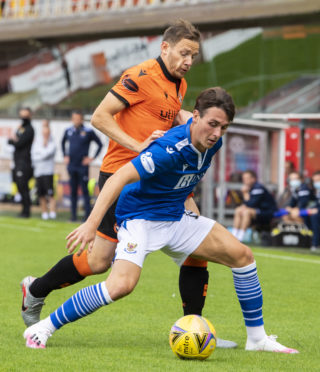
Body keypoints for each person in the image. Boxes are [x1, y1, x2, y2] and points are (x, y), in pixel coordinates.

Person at [23, 88, 298, 353]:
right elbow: (118, 178)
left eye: (223, 128)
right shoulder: (168, 150)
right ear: (197, 116)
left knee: (243, 256)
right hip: (140, 219)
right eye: (212, 124)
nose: (216, 133)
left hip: (175, 217)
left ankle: (257, 339)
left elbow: (183, 127)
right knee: (120, 286)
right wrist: (91, 223)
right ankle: (43, 327)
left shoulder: (211, 140)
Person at [20, 19, 235, 348]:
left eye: (193, 54)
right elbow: (100, 116)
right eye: (183, 53)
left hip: (159, 176)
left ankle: (195, 327)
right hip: (123, 177)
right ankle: (36, 290)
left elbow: (165, 123)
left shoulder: (178, 84)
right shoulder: (140, 76)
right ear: (165, 48)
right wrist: (137, 146)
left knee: (195, 248)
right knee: (98, 262)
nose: (189, 60)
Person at [62, 110, 102, 222]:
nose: (76, 121)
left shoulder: (88, 131)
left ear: (82, 119)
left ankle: (87, 217)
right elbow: (62, 143)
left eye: (78, 118)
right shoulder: (68, 131)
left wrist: (92, 158)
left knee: (85, 191)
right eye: (74, 118)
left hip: (82, 166)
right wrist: (65, 155)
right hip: (71, 166)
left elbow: (100, 144)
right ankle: (73, 216)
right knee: (73, 191)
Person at [231, 170, 277, 242]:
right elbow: (247, 204)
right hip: (257, 211)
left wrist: (245, 193)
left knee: (247, 212)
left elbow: (251, 204)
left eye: (247, 178)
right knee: (238, 210)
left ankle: (240, 238)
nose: (245, 181)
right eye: (243, 179)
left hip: (267, 212)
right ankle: (233, 235)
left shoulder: (258, 188)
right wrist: (243, 206)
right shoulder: (250, 188)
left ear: (253, 179)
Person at [8, 107, 34, 218]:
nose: (23, 118)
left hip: (24, 162)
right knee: (19, 186)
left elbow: (19, 143)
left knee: (23, 187)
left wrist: (14, 141)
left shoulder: (29, 129)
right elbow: (12, 140)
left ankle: (26, 211)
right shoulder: (21, 128)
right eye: (22, 115)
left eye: (25, 115)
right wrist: (14, 140)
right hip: (17, 161)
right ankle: (23, 209)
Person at [31, 120, 57, 220]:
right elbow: (34, 155)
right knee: (41, 194)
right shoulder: (37, 141)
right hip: (38, 172)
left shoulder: (52, 142)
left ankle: (52, 212)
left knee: (50, 193)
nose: (45, 134)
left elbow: (47, 154)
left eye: (47, 133)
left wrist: (41, 153)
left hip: (48, 172)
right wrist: (42, 153)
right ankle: (44, 212)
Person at [309, 171, 320, 252]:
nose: (317, 183)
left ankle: (315, 243)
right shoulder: (317, 191)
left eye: (319, 180)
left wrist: (317, 210)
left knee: (314, 216)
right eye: (315, 181)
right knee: (309, 215)